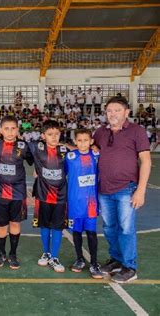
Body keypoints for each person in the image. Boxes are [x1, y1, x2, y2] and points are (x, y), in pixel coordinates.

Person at [94, 96, 151, 283]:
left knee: (126, 228)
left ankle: (129, 266)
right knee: (110, 227)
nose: (113, 114)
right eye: (109, 110)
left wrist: (141, 190)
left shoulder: (137, 131)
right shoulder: (101, 132)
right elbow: (86, 148)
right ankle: (116, 259)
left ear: (126, 112)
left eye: (117, 110)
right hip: (104, 189)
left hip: (126, 188)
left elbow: (146, 161)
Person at [0, 116, 33, 269]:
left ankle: (13, 253)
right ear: (0, 130)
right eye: (6, 128)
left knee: (15, 223)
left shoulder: (23, 145)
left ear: (17, 130)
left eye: (13, 128)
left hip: (18, 193)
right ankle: (1, 253)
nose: (10, 131)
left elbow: (34, 160)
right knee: (1, 225)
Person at [30, 120, 68, 273]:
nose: (54, 137)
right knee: (44, 225)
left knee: (58, 226)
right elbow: (17, 140)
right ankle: (46, 253)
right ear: (43, 135)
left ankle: (55, 256)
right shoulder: (37, 149)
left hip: (60, 196)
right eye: (50, 134)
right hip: (43, 195)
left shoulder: (65, 151)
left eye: (57, 134)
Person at [65, 129, 102, 278]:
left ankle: (94, 263)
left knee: (92, 233)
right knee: (76, 232)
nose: (82, 143)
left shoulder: (96, 155)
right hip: (75, 202)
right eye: (79, 140)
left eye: (86, 140)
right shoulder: (70, 157)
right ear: (75, 141)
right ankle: (79, 258)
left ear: (91, 141)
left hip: (91, 203)